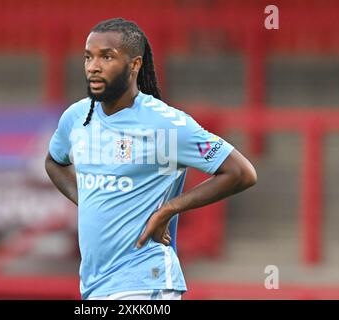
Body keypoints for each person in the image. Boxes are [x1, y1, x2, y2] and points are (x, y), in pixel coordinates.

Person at [45, 18, 257, 300]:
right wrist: (86, 199)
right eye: (88, 57)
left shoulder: (164, 125)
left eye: (106, 56)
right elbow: (54, 161)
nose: (93, 66)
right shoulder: (77, 118)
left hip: (146, 281)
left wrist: (169, 209)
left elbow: (241, 172)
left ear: (134, 65)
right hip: (95, 285)